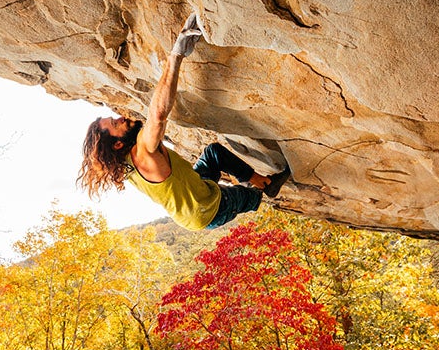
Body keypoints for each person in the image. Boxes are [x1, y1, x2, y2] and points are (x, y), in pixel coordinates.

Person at [78, 13, 290, 230]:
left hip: (195, 189)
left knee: (213, 154)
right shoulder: (141, 153)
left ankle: (259, 180)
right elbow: (158, 115)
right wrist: (176, 55)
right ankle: (262, 189)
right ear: (118, 144)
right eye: (115, 124)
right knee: (248, 197)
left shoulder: (125, 165)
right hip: (208, 210)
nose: (121, 117)